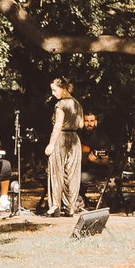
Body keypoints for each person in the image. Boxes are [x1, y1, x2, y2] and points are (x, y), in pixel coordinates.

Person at [45, 77, 83, 216]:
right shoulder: (77, 104)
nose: (53, 93)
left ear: (64, 88)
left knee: (56, 172)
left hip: (61, 138)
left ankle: (55, 205)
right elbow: (81, 125)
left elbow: (57, 126)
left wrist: (51, 144)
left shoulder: (60, 104)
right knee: (72, 174)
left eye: (55, 90)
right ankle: (71, 207)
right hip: (74, 139)